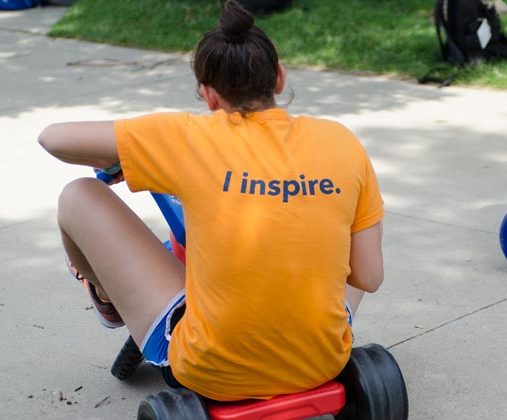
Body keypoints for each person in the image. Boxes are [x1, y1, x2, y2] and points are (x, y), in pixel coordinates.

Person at [38, 0, 384, 401]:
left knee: (78, 195)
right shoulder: (342, 141)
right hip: (322, 362)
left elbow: (53, 138)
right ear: (279, 78)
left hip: (211, 370)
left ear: (208, 96)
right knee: (351, 220)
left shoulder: (188, 137)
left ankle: (104, 295)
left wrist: (121, 156)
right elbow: (368, 277)